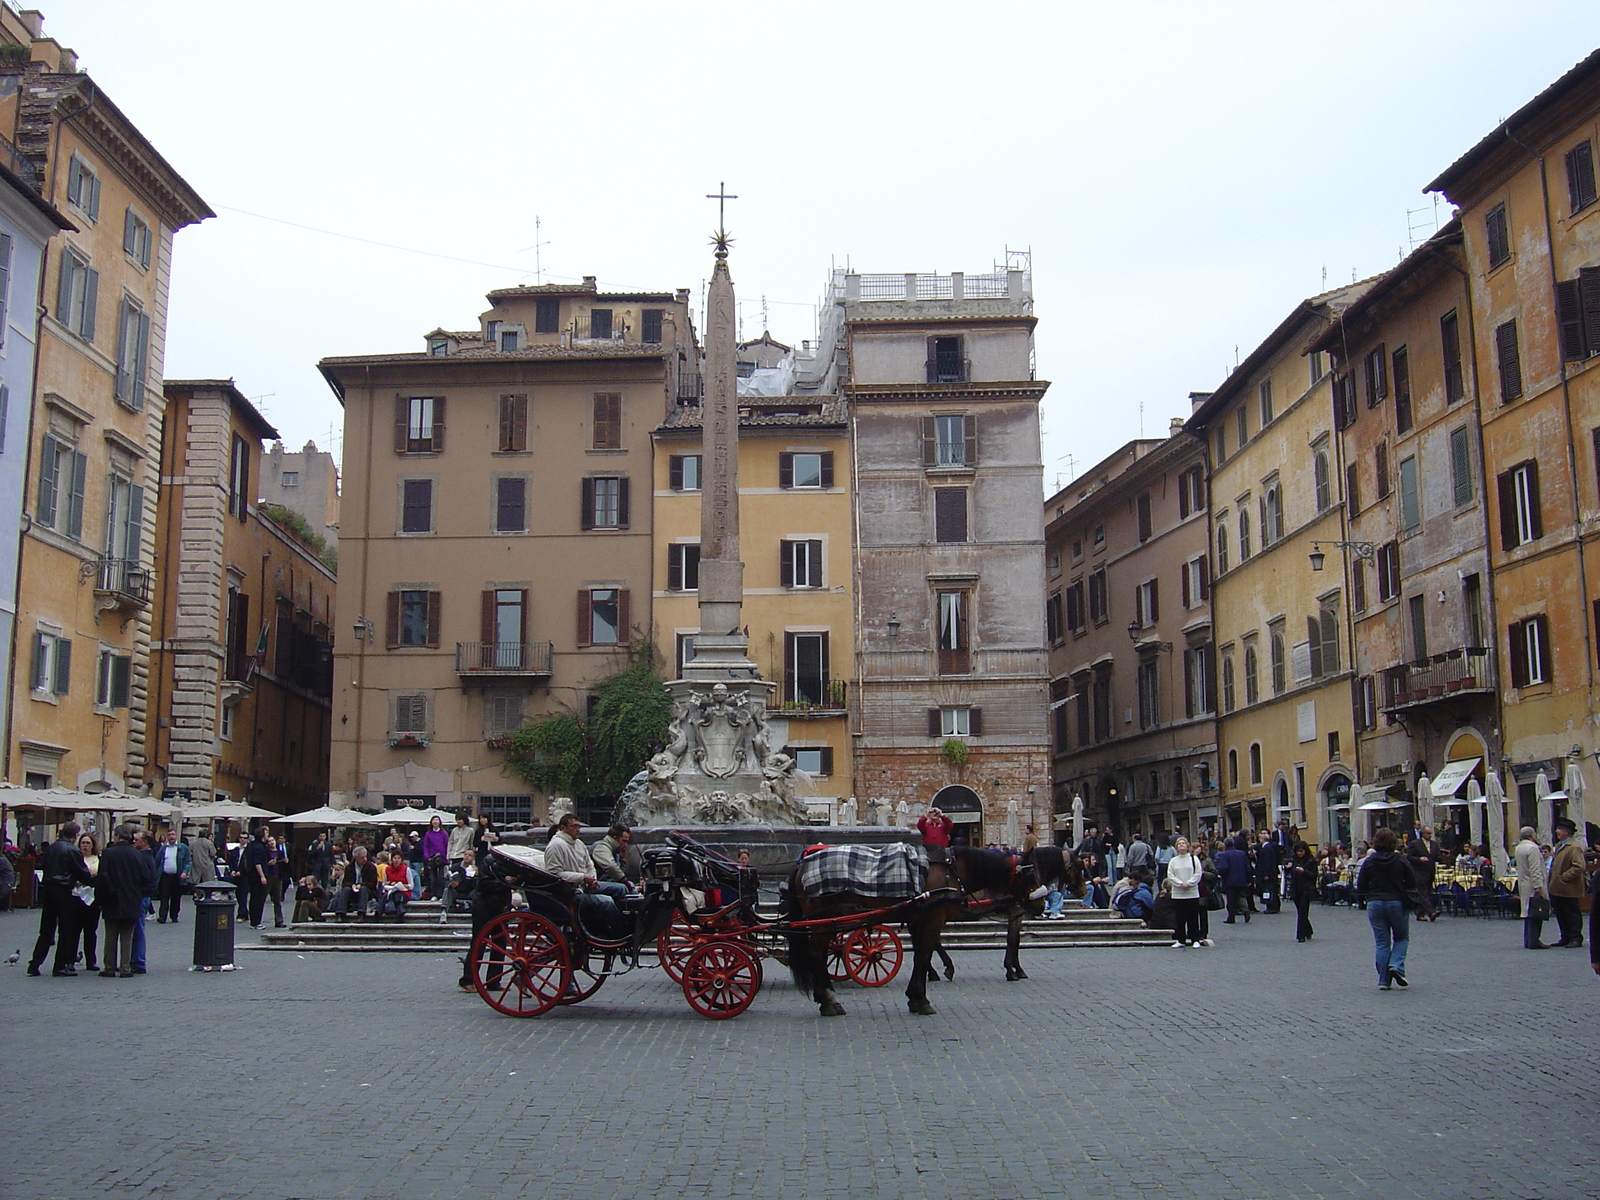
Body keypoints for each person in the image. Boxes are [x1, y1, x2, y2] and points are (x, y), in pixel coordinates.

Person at [28, 821, 92, 977]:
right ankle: (60, 965)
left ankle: (35, 963)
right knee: (66, 928)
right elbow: (81, 872)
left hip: (49, 889)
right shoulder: (72, 850)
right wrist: (93, 880)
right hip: (63, 890)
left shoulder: (51, 848)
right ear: (75, 835)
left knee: (46, 929)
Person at [1356, 827, 1417, 989]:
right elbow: (1412, 881)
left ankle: (1384, 980)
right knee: (1401, 937)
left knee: (1382, 942)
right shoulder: (1400, 860)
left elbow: (1360, 886)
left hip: (1375, 903)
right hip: (1396, 901)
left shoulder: (1369, 861)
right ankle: (1396, 965)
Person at [544, 813, 626, 927]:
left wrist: (593, 879)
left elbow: (589, 864)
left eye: (579, 826)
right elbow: (555, 874)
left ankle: (606, 923)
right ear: (563, 828)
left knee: (621, 889)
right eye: (574, 826)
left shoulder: (579, 843)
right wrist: (583, 878)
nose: (578, 830)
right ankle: (618, 930)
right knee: (607, 902)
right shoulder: (556, 846)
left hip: (585, 885)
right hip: (571, 892)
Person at [96, 824, 155, 978]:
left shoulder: (108, 853)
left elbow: (102, 877)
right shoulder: (137, 855)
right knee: (127, 936)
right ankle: (125, 967)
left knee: (111, 935)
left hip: (111, 898)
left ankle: (109, 966)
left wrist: (102, 897)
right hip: (131, 899)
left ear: (116, 837)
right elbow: (146, 878)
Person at [1547, 817, 1586, 948]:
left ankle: (1575, 937)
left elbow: (1579, 866)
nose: (1557, 831)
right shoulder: (1560, 846)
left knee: (1571, 913)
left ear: (1567, 832)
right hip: (1558, 888)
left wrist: (1564, 877)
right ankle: (1565, 936)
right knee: (1561, 912)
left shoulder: (1574, 847)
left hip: (1568, 888)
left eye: (1559, 830)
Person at [1514, 826, 1549, 949]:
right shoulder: (1533, 848)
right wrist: (1538, 886)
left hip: (1523, 883)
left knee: (1527, 912)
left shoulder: (1519, 848)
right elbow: (1535, 869)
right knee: (1536, 911)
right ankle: (1534, 940)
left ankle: (1528, 939)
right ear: (1532, 836)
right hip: (1532, 883)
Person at [1167, 836, 1203, 948]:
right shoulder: (1173, 861)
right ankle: (1181, 939)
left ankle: (1195, 939)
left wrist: (1189, 883)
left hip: (1192, 892)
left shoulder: (1193, 859)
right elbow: (1170, 875)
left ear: (1187, 846)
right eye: (1179, 843)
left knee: (1193, 917)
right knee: (1180, 917)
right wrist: (1179, 883)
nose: (1181, 845)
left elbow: (1198, 874)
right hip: (1178, 893)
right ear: (1176, 847)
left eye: (1183, 843)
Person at [74, 833, 102, 973]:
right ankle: (70, 959)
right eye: (83, 843)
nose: (85, 845)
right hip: (76, 897)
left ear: (93, 845)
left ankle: (91, 960)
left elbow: (101, 876)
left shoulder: (98, 859)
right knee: (74, 931)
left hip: (92, 898)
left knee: (91, 931)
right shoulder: (76, 858)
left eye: (87, 843)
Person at [154, 828, 192, 924]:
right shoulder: (163, 848)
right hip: (165, 875)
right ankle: (162, 916)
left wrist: (185, 871)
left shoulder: (182, 847)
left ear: (176, 836)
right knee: (164, 896)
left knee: (176, 897)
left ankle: (174, 915)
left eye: (173, 834)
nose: (171, 837)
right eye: (169, 835)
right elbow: (158, 861)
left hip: (177, 876)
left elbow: (188, 861)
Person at [330, 846, 378, 920]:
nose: (364, 859)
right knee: (345, 889)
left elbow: (372, 883)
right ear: (356, 858)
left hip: (367, 891)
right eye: (362, 857)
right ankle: (340, 913)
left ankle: (361, 914)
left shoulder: (371, 867)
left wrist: (360, 885)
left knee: (363, 889)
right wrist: (352, 885)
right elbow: (345, 883)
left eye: (365, 856)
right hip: (352, 890)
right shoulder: (349, 867)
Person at [1405, 825, 1441, 921]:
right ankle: (1431, 912)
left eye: (1431, 834)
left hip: (1430, 871)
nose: (1430, 836)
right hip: (1419, 871)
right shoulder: (1415, 843)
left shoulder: (1434, 844)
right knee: (1423, 893)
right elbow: (1409, 857)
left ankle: (1420, 913)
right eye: (1428, 833)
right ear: (1423, 834)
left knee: (1427, 893)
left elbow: (1436, 857)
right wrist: (1419, 859)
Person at [242, 828, 274, 930]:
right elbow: (257, 863)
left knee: (255, 898)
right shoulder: (259, 848)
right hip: (257, 876)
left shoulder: (253, 845)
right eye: (266, 832)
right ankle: (256, 921)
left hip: (252, 875)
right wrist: (262, 876)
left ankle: (254, 921)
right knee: (258, 899)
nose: (268, 834)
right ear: (262, 834)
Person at [1286, 841, 1318, 942]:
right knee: (1300, 911)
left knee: (1303, 912)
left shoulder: (1311, 861)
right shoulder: (1293, 860)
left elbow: (1314, 876)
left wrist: (1304, 871)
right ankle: (1308, 931)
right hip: (1296, 888)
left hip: (1306, 889)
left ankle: (1300, 935)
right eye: (1297, 851)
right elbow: (1288, 873)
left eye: (1301, 851)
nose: (1299, 853)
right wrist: (1288, 867)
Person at [1216, 836, 1252, 924]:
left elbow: (1224, 868)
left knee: (1231, 899)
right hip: (1241, 879)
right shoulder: (1241, 853)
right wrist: (1248, 879)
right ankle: (1245, 910)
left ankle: (1231, 917)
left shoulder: (1223, 855)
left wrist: (1221, 874)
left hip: (1229, 880)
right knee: (1241, 896)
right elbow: (1247, 867)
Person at [439, 848, 477, 922]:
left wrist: (476, 877)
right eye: (465, 854)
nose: (467, 856)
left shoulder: (476, 869)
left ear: (473, 858)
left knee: (479, 892)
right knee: (447, 889)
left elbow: (480, 885)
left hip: (470, 892)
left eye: (469, 855)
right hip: (457, 891)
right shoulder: (455, 867)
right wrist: (450, 884)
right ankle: (444, 912)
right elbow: (446, 880)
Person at [378, 851, 411, 921]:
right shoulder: (387, 869)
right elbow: (384, 884)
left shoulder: (406, 869)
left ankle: (399, 915)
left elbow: (411, 885)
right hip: (390, 890)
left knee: (396, 895)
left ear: (401, 860)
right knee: (385, 896)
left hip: (403, 892)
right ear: (392, 859)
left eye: (398, 858)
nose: (396, 860)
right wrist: (389, 883)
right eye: (395, 858)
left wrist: (403, 885)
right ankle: (378, 913)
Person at [421, 816, 449, 899]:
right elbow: (426, 846)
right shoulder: (428, 834)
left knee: (441, 878)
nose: (435, 822)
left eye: (437, 820)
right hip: (432, 858)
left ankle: (441, 895)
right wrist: (427, 857)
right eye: (434, 820)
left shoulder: (444, 833)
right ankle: (433, 894)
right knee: (433, 878)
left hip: (442, 857)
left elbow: (446, 845)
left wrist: (446, 857)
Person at [1256, 829, 1282, 914]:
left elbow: (1267, 862)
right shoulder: (1269, 847)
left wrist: (1266, 874)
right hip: (1272, 872)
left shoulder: (1266, 849)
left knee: (1269, 890)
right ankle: (1273, 906)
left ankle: (1271, 906)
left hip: (1269, 873)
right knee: (1272, 889)